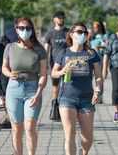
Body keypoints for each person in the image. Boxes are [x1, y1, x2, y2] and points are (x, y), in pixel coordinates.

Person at [52, 22, 103, 155]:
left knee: (88, 138)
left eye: (85, 33)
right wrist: (63, 71)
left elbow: (98, 76)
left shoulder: (91, 53)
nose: (82, 35)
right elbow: (53, 73)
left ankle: (83, 152)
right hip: (67, 98)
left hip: (87, 98)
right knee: (70, 134)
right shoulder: (64, 52)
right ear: (71, 34)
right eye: (79, 32)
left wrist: (98, 90)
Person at [2, 17, 47, 155]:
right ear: (16, 29)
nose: (25, 31)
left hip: (32, 89)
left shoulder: (39, 49)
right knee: (16, 128)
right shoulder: (10, 47)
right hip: (13, 89)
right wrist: (9, 74)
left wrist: (38, 93)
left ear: (32, 30)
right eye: (21, 28)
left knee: (30, 127)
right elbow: (4, 67)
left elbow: (44, 74)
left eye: (28, 28)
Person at [44, 11, 68, 112]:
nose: (61, 19)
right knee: (55, 86)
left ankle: (66, 105)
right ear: (54, 19)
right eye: (59, 17)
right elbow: (46, 49)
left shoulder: (68, 32)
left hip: (67, 64)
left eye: (62, 17)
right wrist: (45, 64)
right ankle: (55, 105)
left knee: (67, 85)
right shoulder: (50, 33)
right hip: (54, 64)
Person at [89, 21, 108, 104]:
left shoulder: (105, 36)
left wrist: (99, 47)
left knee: (100, 78)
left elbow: (107, 46)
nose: (96, 28)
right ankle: (91, 95)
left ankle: (99, 96)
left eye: (97, 26)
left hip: (100, 58)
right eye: (94, 27)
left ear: (101, 27)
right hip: (90, 58)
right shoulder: (91, 36)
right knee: (89, 78)